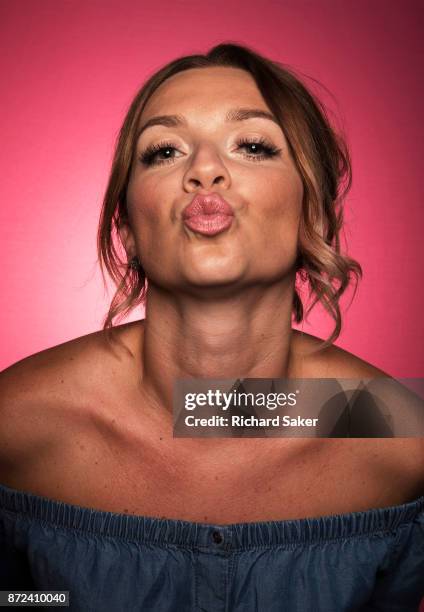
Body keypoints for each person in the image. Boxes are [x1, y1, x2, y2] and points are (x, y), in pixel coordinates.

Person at [0, 42, 423, 611]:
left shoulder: (404, 441)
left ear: (313, 213)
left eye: (252, 145)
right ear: (125, 225)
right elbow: (20, 599)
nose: (204, 169)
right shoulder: (17, 425)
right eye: (164, 151)